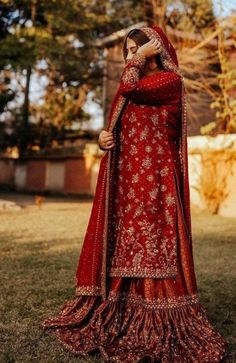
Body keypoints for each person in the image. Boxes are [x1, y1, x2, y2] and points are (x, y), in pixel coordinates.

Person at [42, 25, 228, 363]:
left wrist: (138, 60)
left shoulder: (169, 82)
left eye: (136, 49)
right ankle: (121, 301)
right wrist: (103, 137)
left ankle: (159, 308)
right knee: (127, 241)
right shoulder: (138, 85)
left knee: (154, 241)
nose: (131, 56)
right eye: (128, 51)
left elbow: (129, 88)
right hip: (129, 180)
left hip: (157, 182)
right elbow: (118, 119)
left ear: (155, 49)